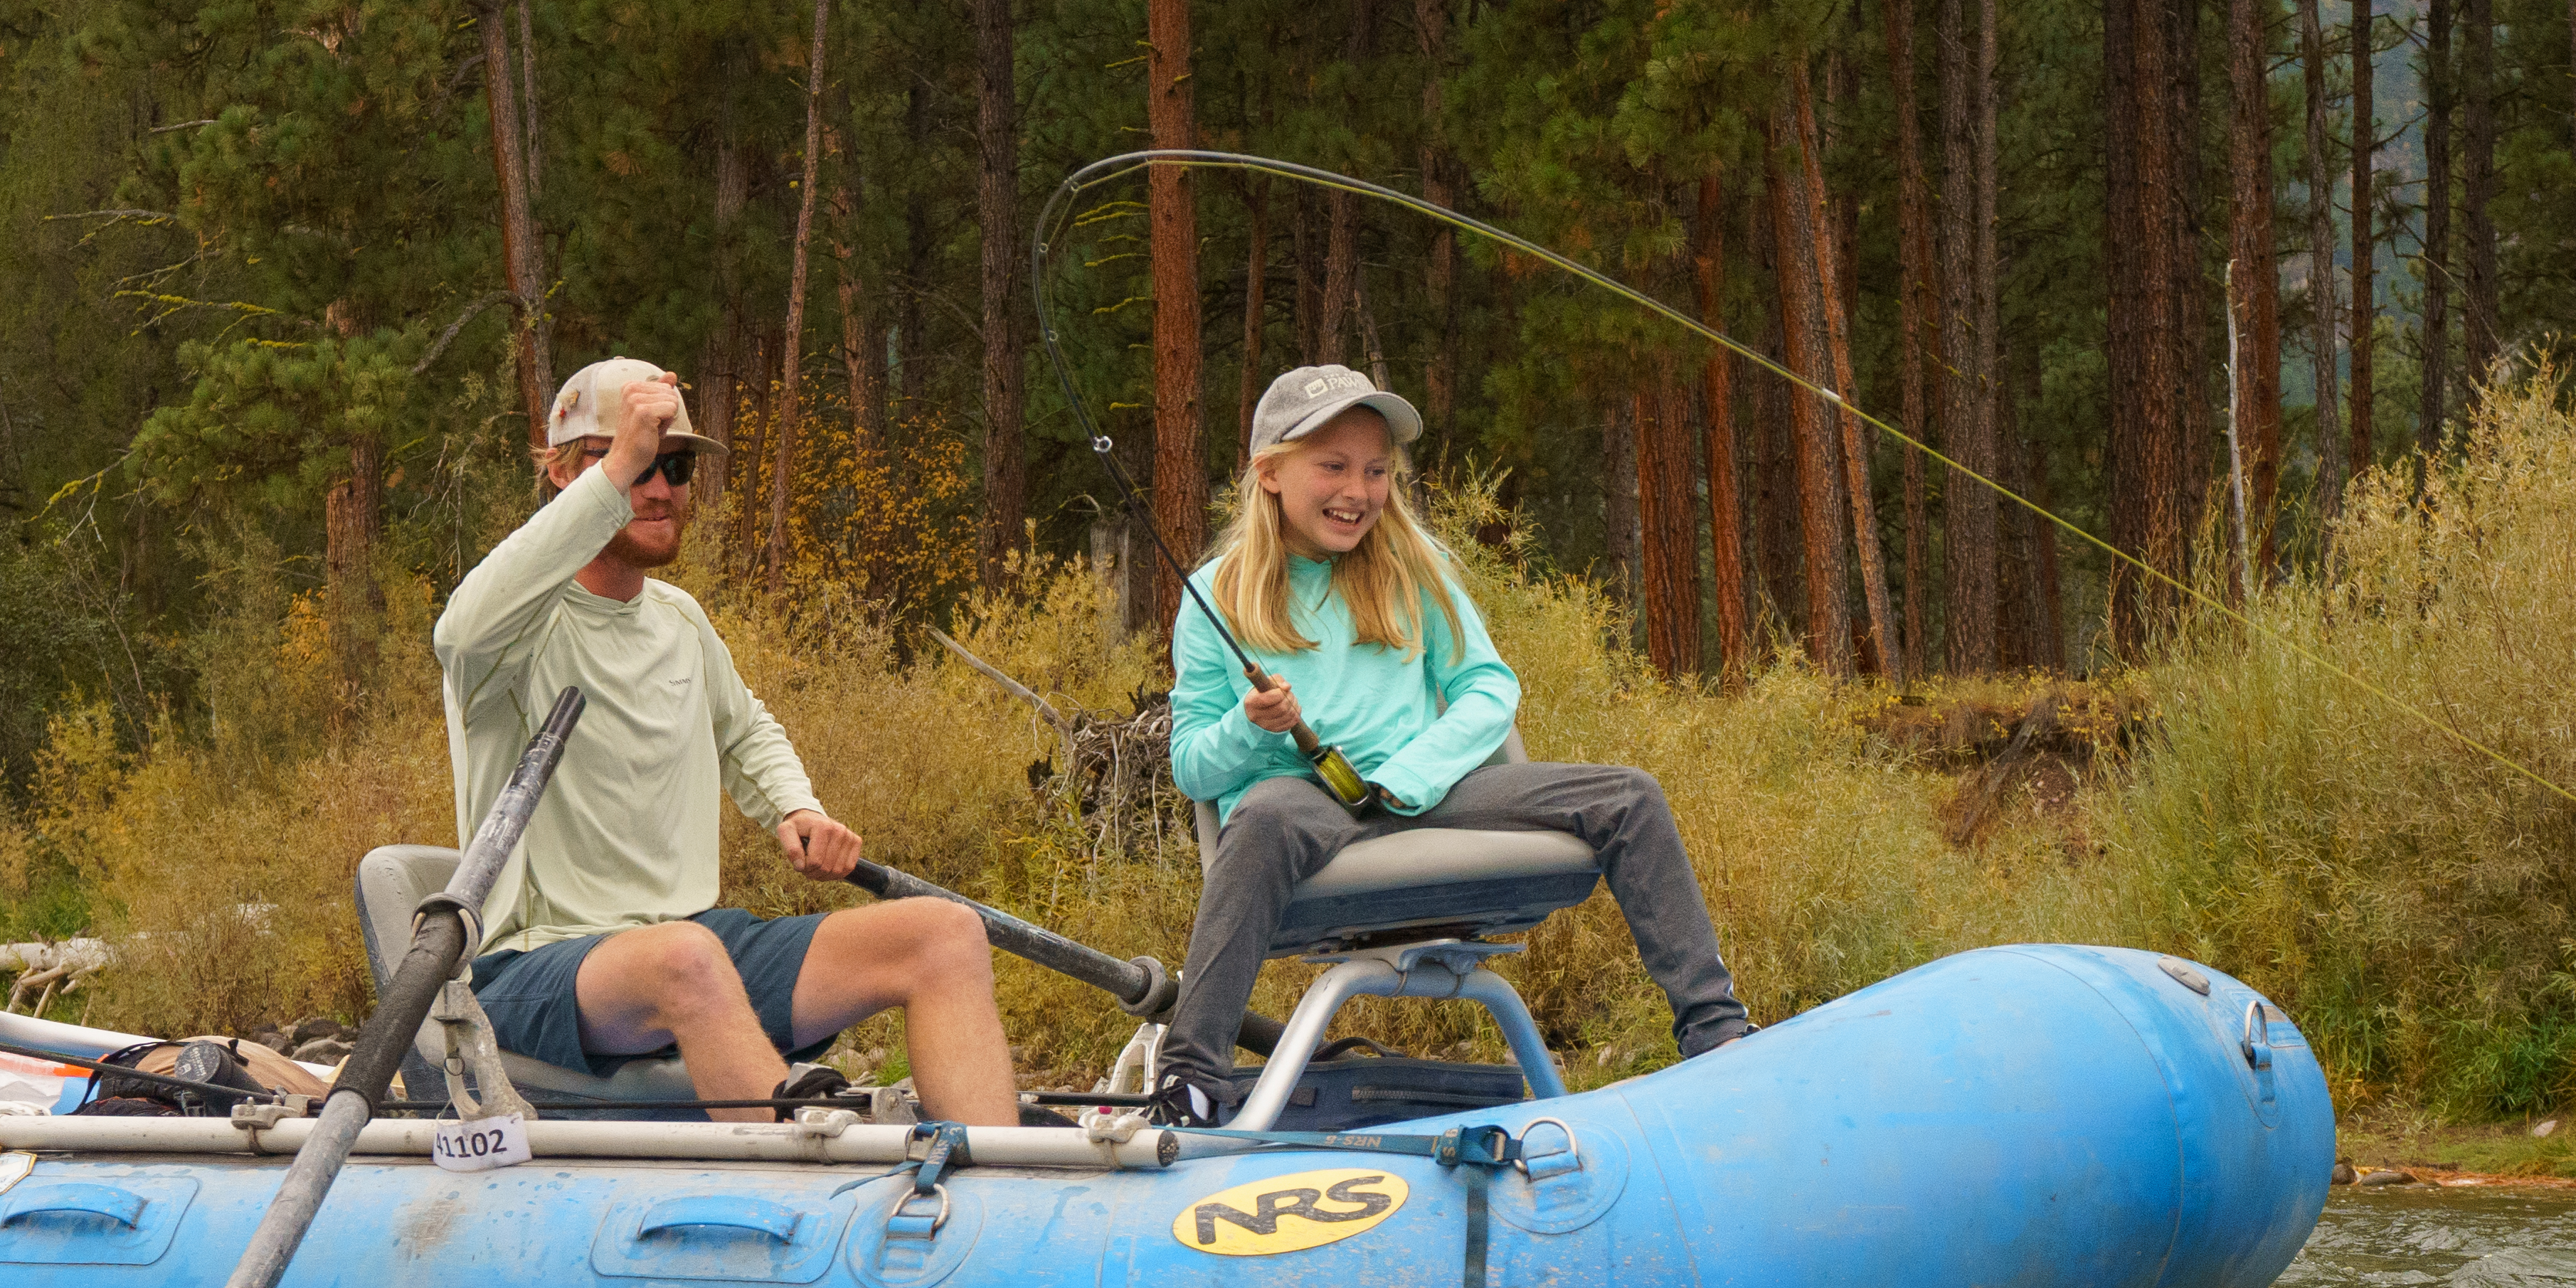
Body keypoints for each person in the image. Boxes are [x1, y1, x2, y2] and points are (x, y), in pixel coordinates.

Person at [433, 355, 1022, 1123]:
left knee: (944, 936)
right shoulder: (511, 635)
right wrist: (619, 470)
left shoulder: (680, 621)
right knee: (685, 959)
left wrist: (794, 809)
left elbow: (745, 731)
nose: (657, 487)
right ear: (562, 475)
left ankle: (989, 1210)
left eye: (673, 467)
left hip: (689, 943)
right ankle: (790, 1206)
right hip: (535, 965)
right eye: (632, 462)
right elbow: (460, 628)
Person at [1162, 361, 1748, 1105]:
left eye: (1376, 470)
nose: (1358, 492)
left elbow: (1487, 688)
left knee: (1629, 799)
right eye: (1333, 466)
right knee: (1269, 813)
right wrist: (1249, 727)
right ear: (1271, 472)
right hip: (1304, 812)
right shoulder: (1215, 594)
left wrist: (1410, 775)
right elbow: (1192, 769)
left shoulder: (1417, 566)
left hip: (1425, 791)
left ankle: (1716, 1032)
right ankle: (1190, 1078)